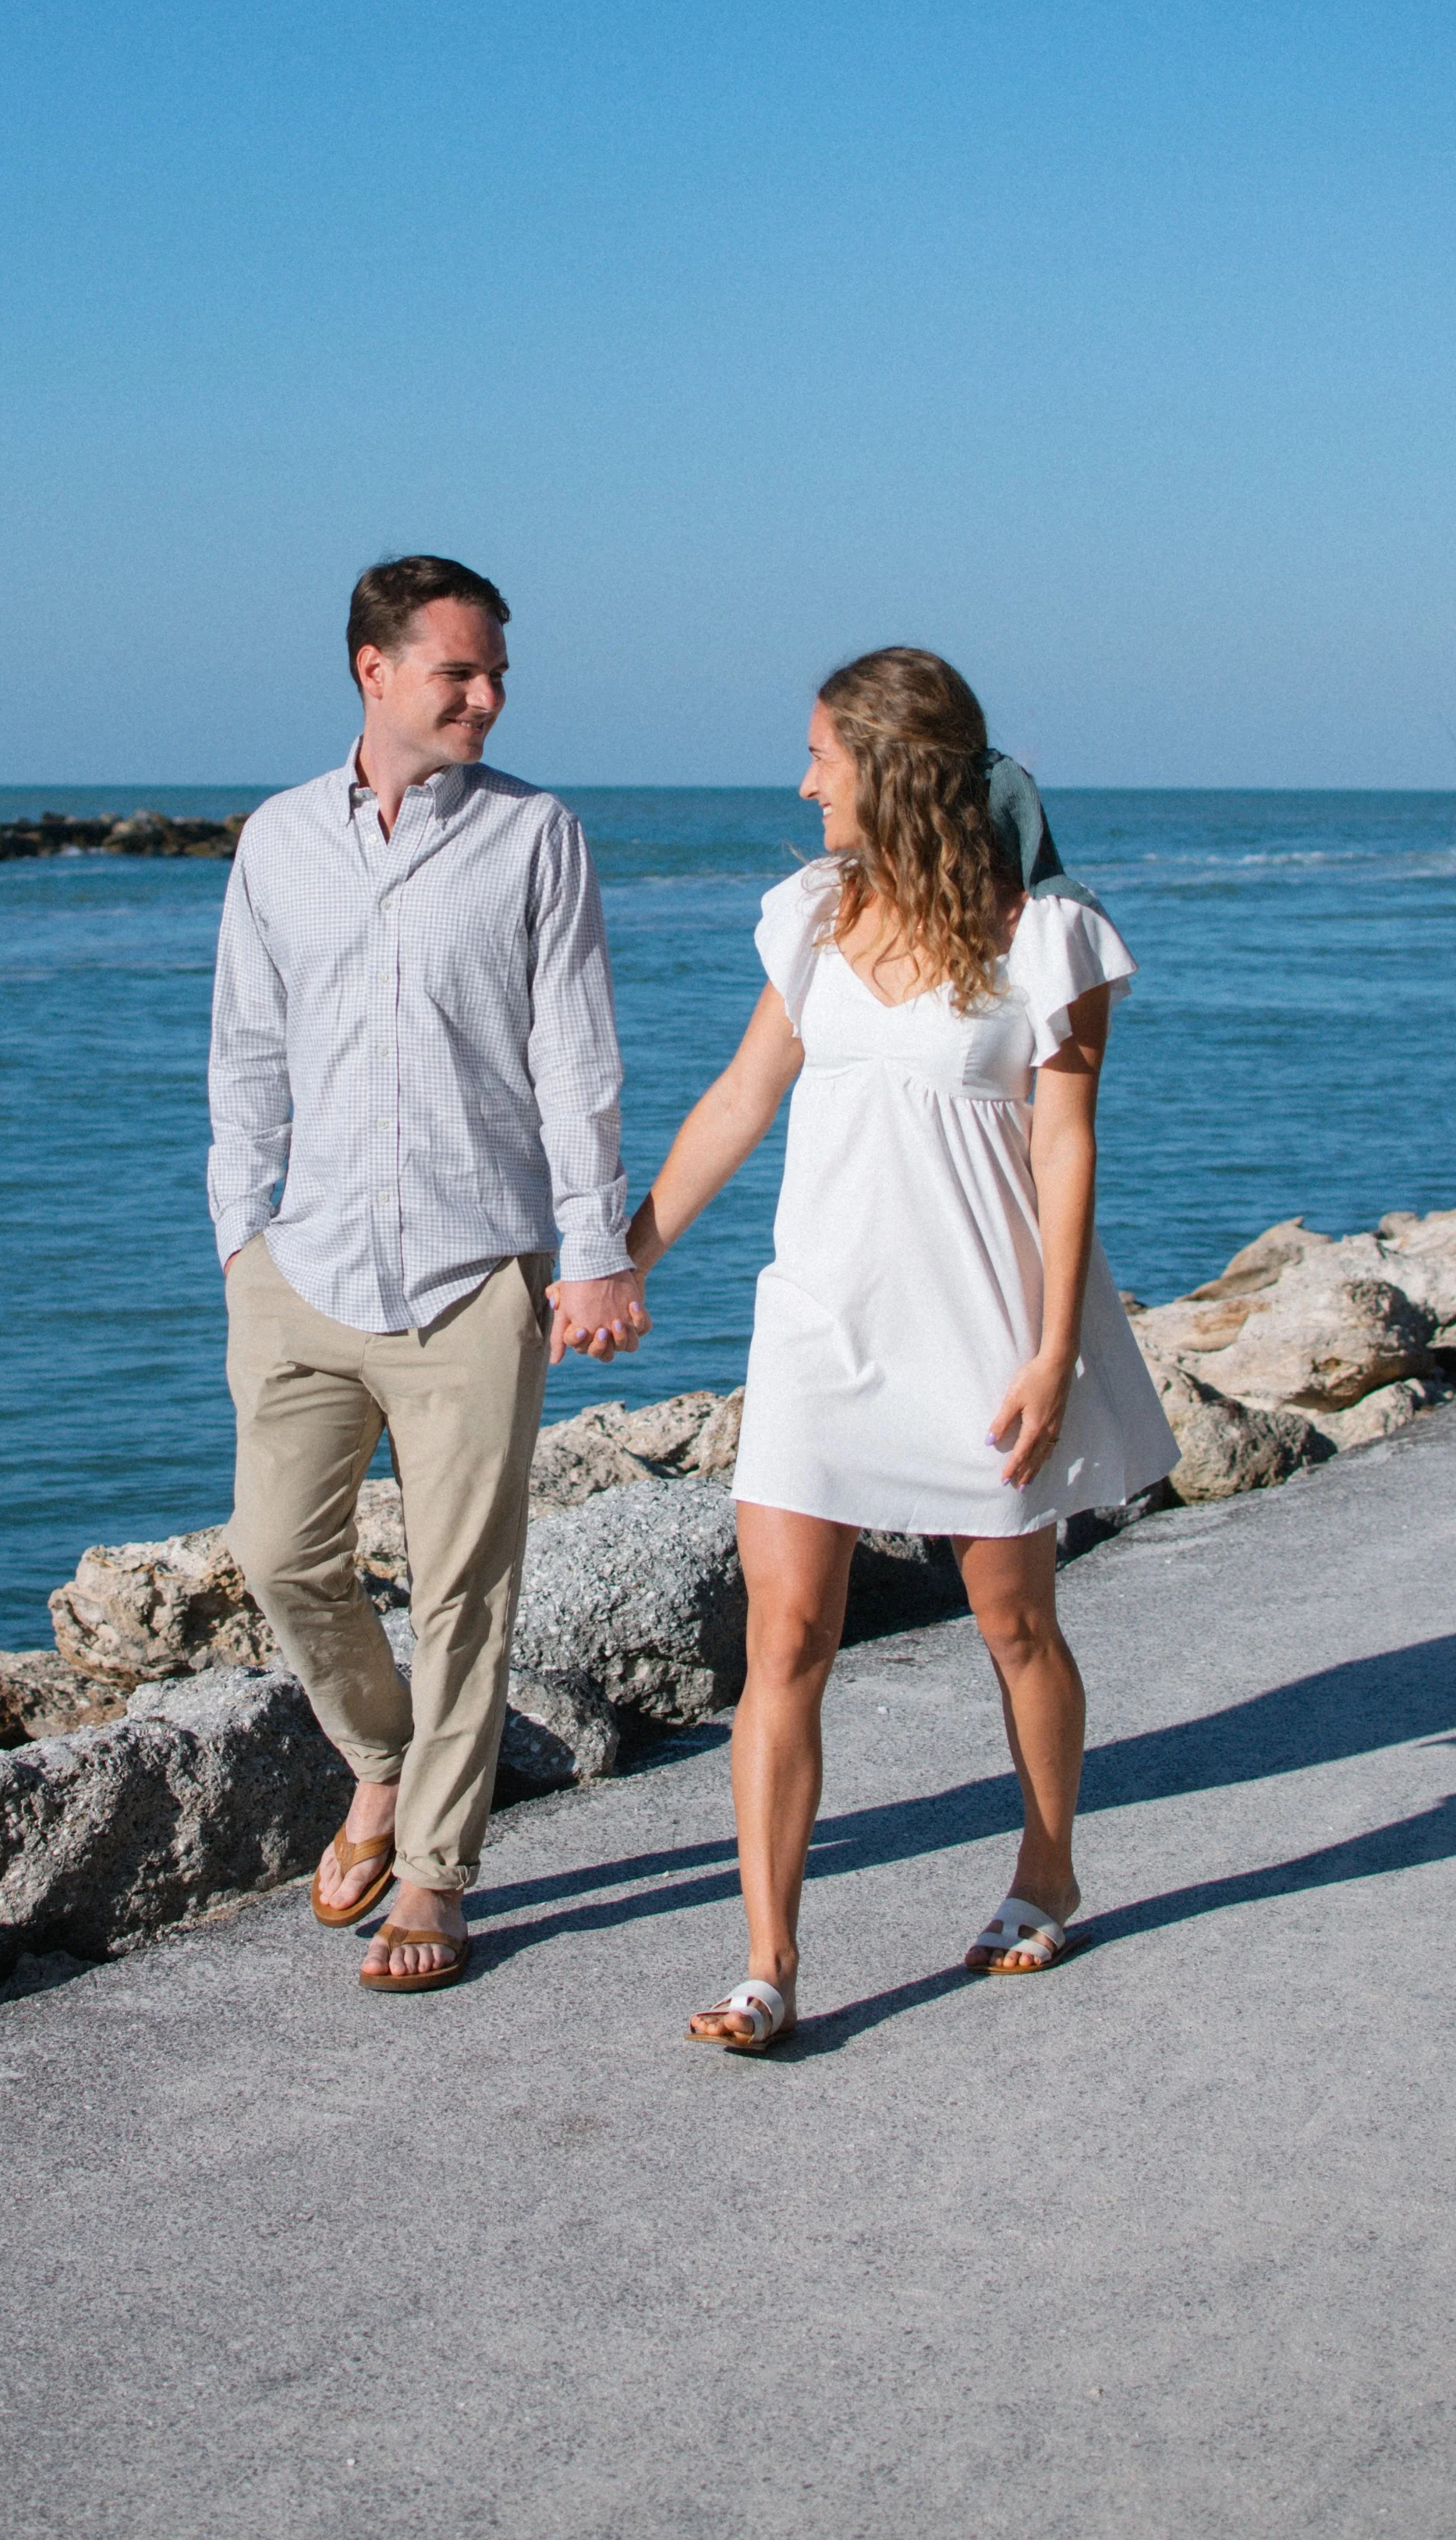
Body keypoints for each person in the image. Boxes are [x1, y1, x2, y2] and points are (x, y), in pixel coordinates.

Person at [625, 647, 1177, 2050]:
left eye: (821, 752)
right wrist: (624, 1253)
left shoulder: (1043, 939)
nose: (802, 779)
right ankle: (768, 1963)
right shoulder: (813, 918)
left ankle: (1048, 1866)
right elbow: (745, 1095)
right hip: (820, 1328)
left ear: (891, 764)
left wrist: (1055, 1352)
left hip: (980, 1333)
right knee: (786, 1637)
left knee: (1015, 1624)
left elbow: (1065, 1142)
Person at [207, 555, 648, 1994]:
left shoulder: (536, 836)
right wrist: (239, 1242)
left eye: (496, 671)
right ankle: (382, 1763)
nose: (488, 694)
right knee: (280, 1555)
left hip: (477, 1269)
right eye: (459, 669)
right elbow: (248, 1057)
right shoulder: (276, 840)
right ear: (373, 670)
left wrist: (588, 1257)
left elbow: (577, 1060)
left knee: (467, 1584)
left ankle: (440, 1870)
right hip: (306, 1267)